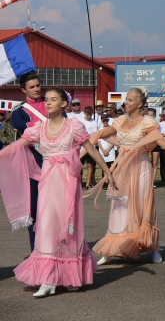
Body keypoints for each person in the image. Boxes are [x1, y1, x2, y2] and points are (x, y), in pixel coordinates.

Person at [0, 89, 116, 297]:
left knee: (67, 227)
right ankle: (48, 279)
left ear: (64, 104)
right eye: (46, 99)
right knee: (45, 226)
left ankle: (71, 275)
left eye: (54, 99)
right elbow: (19, 145)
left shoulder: (73, 126)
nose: (48, 102)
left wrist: (107, 171)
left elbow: (90, 149)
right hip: (47, 182)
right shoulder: (39, 128)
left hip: (68, 182)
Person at [91, 88, 165, 266]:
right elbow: (102, 134)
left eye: (130, 100)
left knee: (143, 203)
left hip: (141, 166)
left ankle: (153, 247)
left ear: (140, 104)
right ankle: (110, 249)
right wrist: (82, 139)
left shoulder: (148, 121)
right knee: (120, 205)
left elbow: (159, 139)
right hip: (123, 166)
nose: (126, 103)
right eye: (126, 100)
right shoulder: (120, 120)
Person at [11, 70, 47, 252]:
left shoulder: (52, 104)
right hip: (32, 161)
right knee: (33, 208)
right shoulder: (20, 111)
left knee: (56, 208)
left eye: (38, 85)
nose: (36, 89)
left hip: (55, 161)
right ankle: (36, 251)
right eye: (32, 87)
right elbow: (19, 125)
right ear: (23, 90)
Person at [80, 106, 98, 189]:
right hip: (82, 146)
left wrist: (91, 145)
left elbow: (95, 134)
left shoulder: (93, 122)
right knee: (80, 165)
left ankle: (88, 183)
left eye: (90, 115)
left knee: (90, 165)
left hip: (90, 145)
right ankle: (79, 182)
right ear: (85, 113)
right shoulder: (81, 121)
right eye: (87, 114)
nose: (89, 116)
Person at [98, 114, 116, 189]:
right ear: (102, 121)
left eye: (106, 120)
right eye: (103, 120)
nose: (105, 121)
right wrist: (103, 150)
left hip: (110, 149)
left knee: (112, 166)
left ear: (108, 120)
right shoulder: (99, 129)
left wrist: (108, 149)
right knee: (104, 167)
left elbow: (114, 140)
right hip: (102, 149)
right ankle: (106, 182)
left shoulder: (111, 129)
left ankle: (113, 180)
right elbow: (98, 141)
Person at [147, 108, 161, 187]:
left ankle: (152, 182)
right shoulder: (145, 124)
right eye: (149, 115)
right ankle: (146, 180)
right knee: (147, 163)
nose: (150, 116)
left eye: (152, 115)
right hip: (147, 144)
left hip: (156, 143)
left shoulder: (158, 124)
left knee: (154, 163)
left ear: (155, 115)